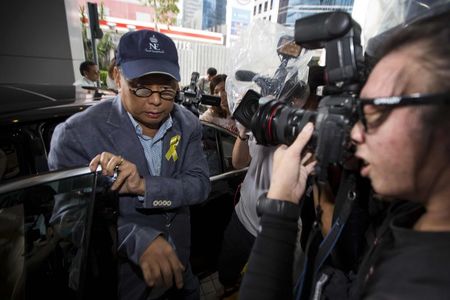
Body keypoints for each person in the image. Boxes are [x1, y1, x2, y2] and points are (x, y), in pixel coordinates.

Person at [239, 8, 450, 300]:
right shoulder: (407, 217)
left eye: (374, 113)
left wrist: (279, 212)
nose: (354, 134)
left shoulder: (415, 287)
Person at [48, 29, 211, 300]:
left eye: (167, 90)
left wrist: (144, 186)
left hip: (181, 273)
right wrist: (134, 239)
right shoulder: (75, 135)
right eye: (142, 88)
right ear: (117, 77)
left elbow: (199, 185)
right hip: (118, 283)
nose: (156, 101)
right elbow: (68, 218)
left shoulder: (187, 123)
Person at [217, 82, 310, 297]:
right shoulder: (262, 122)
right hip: (242, 218)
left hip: (278, 228)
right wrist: (243, 132)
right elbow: (239, 163)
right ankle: (230, 288)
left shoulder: (299, 133)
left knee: (277, 288)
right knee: (227, 270)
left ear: (296, 102)